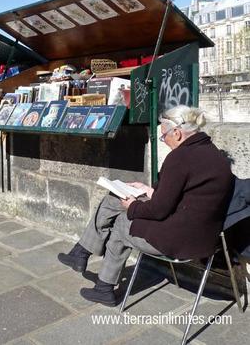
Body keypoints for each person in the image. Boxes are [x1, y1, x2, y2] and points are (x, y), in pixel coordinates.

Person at [58, 105, 235, 307]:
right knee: (114, 199)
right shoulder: (213, 153)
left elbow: (159, 210)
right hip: (204, 236)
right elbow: (186, 195)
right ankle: (81, 252)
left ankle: (103, 288)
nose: (164, 141)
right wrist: (147, 190)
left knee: (124, 223)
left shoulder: (180, 158)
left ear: (176, 133)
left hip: (181, 239)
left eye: (164, 136)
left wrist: (132, 206)